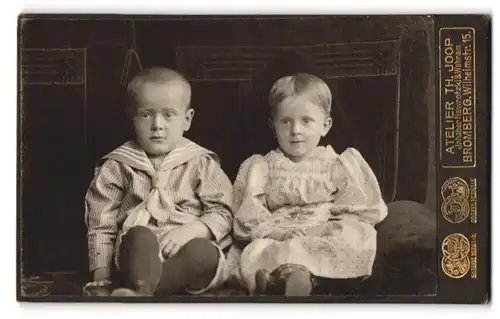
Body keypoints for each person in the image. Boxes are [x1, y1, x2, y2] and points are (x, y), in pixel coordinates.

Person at [231, 72, 388, 296]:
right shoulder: (262, 166)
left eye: (306, 121)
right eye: (286, 122)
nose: (296, 130)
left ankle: (303, 281)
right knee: (259, 250)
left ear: (325, 125)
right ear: (273, 127)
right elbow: (249, 211)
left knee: (349, 239)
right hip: (280, 234)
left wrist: (325, 229)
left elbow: (358, 206)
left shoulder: (338, 163)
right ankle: (281, 281)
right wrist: (277, 233)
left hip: (324, 230)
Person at [83, 67, 233, 297]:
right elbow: (101, 223)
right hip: (138, 258)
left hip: (187, 250)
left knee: (204, 253)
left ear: (187, 119)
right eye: (146, 114)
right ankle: (145, 286)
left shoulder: (201, 162)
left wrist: (195, 230)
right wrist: (101, 277)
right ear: (132, 117)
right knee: (139, 236)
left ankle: (142, 294)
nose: (157, 125)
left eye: (169, 114)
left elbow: (223, 212)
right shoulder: (117, 165)